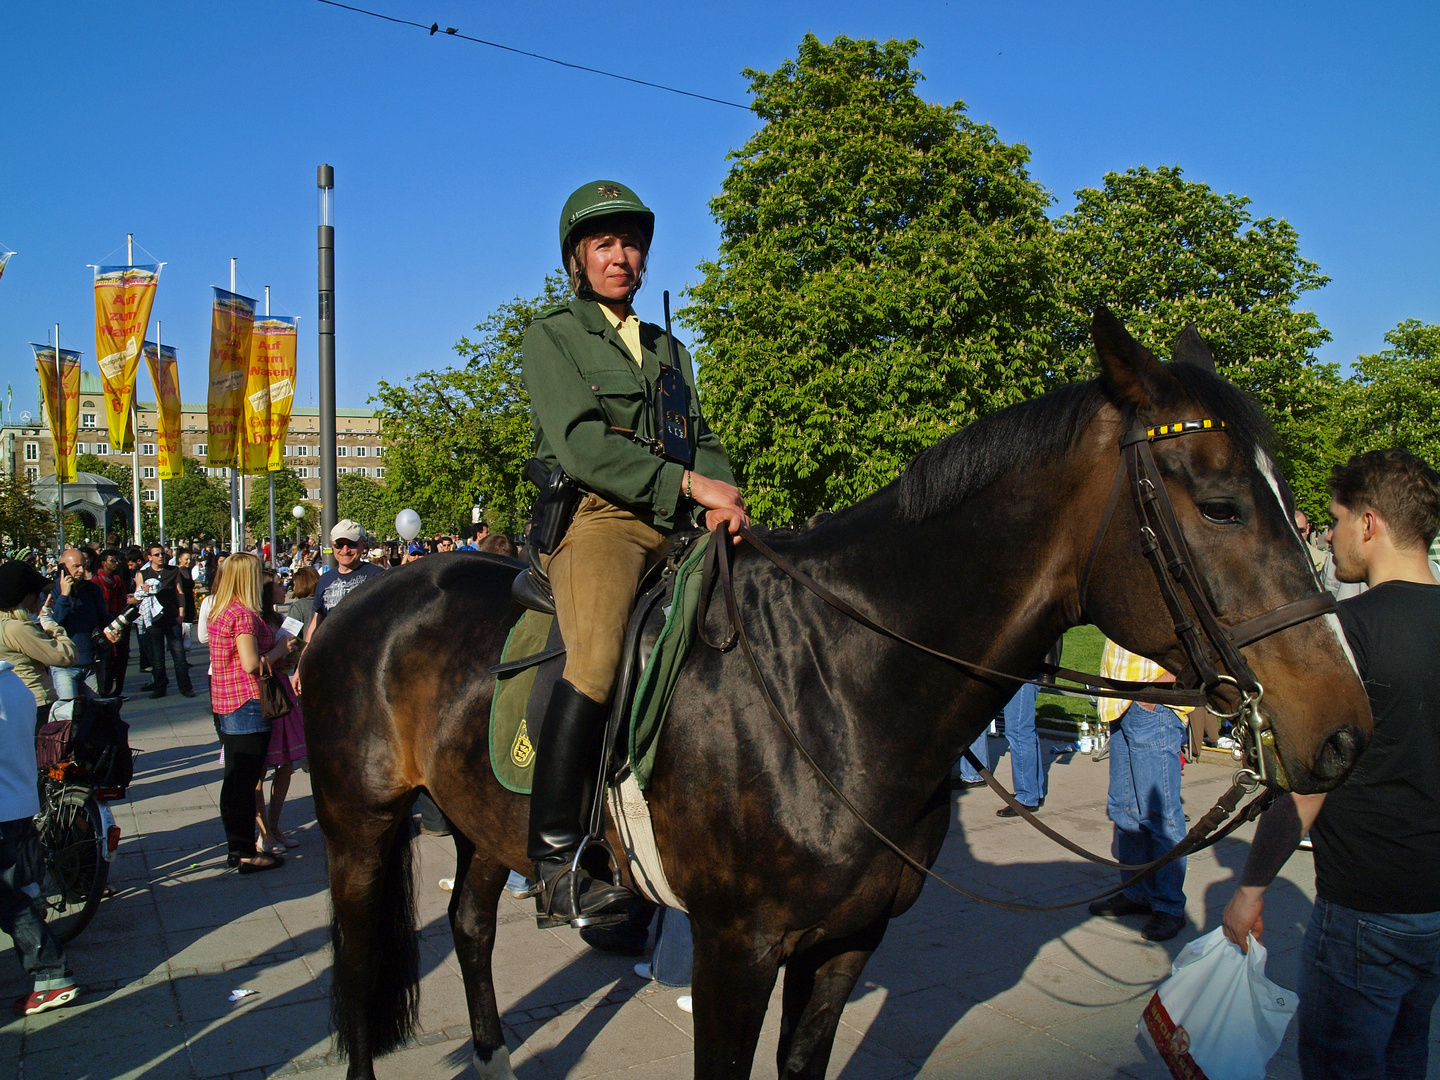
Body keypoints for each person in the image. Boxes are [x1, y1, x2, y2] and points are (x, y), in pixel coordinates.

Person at [518, 180, 745, 927]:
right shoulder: (552, 334)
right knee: (596, 656)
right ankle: (556, 860)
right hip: (602, 520)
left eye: (631, 243)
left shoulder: (670, 347)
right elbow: (581, 444)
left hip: (683, 519)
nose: (622, 257)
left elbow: (704, 441)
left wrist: (727, 497)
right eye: (604, 244)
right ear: (578, 261)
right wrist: (684, 482)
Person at [1222, 449, 1440, 1080]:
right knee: (1405, 1060)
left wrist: (1250, 889)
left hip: (1365, 910)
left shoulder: (1347, 631)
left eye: (1337, 519)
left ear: (1369, 525)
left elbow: (1309, 782)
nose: (1329, 534)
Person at [1087, 638, 1192, 942]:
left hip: (1152, 706)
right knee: (1125, 810)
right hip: (1121, 704)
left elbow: (1202, 641)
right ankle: (1135, 893)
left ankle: (1169, 906)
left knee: (1160, 817)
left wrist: (1158, 690)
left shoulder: (1170, 590)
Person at [206, 553, 299, 873]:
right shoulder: (243, 615)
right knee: (245, 780)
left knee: (235, 779)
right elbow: (251, 665)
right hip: (247, 703)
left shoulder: (222, 610)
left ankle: (238, 846)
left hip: (226, 702)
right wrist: (280, 650)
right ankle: (245, 851)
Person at [0, 658, 79, 1015]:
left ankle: (51, 973)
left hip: (3, 806)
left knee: (8, 901)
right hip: (17, 799)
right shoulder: (14, 684)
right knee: (20, 892)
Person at [255, 571, 305, 855]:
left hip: (282, 690)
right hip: (263, 694)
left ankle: (275, 826)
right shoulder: (255, 620)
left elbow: (282, 658)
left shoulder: (277, 620)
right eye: (276, 584)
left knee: (286, 764)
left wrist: (292, 653)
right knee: (259, 770)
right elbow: (252, 663)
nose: (282, 586)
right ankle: (263, 832)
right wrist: (278, 650)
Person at [0, 562, 77, 728]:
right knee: (43, 753)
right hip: (35, 701)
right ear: (22, 596)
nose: (38, 599)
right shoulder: (16, 628)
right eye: (35, 594)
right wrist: (49, 622)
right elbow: (66, 655)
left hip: (10, 703)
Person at [46, 549, 112, 700]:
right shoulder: (51, 591)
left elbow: (103, 617)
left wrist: (112, 630)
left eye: (83, 565)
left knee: (94, 713)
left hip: (90, 663)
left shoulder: (91, 589)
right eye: (75, 566)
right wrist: (64, 595)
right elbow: (53, 623)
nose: (81, 571)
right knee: (68, 714)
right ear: (62, 566)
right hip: (63, 665)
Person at [303, 520, 385, 640]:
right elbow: (317, 619)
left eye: (352, 544)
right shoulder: (325, 579)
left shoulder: (377, 575)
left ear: (363, 545)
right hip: (331, 652)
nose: (345, 550)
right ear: (332, 546)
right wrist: (306, 652)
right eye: (339, 545)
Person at [137, 542, 194, 699]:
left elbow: (179, 592)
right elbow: (137, 597)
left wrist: (181, 613)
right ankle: (159, 687)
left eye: (162, 553)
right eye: (156, 554)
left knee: (179, 655)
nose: (161, 556)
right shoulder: (143, 573)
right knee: (157, 657)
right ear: (150, 557)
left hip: (172, 617)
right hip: (154, 620)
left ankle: (185, 687)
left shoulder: (173, 571)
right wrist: (142, 591)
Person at [994, 683, 1046, 817]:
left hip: (1024, 676)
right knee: (1025, 731)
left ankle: (1026, 795)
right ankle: (1033, 791)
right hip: (1026, 675)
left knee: (1019, 731)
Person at [94, 549, 129, 698]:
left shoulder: (117, 580)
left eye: (117, 561)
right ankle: (105, 690)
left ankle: (117, 690)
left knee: (121, 658)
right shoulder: (96, 582)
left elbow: (123, 599)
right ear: (103, 563)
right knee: (107, 659)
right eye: (112, 561)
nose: (116, 564)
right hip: (104, 623)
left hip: (119, 621)